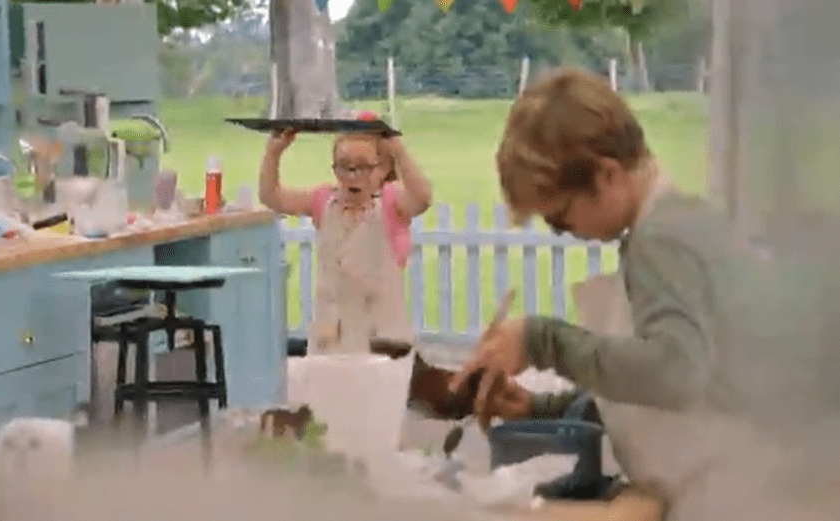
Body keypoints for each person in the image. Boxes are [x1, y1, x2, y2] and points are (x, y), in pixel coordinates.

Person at [449, 67, 840, 521]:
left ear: (607, 175)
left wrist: (543, 341)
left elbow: (674, 374)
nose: (564, 233)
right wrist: (547, 407)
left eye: (560, 217)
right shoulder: (683, 221)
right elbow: (661, 385)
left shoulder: (660, 242)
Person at [259, 122, 432, 355]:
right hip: (330, 339)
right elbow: (272, 196)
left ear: (382, 170)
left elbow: (421, 199)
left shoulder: (391, 203)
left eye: (363, 168)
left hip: (380, 339)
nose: (352, 176)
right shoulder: (323, 201)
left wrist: (399, 152)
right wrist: (274, 153)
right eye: (344, 167)